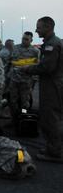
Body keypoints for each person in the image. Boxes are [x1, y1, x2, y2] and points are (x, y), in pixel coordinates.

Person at [20, 17, 63, 163]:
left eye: (39, 27)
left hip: (53, 86)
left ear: (48, 27)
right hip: (51, 84)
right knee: (49, 117)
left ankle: (56, 152)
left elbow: (47, 67)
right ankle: (53, 147)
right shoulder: (51, 43)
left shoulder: (52, 44)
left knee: (52, 118)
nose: (36, 30)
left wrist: (28, 69)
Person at [9, 32, 40, 131]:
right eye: (23, 38)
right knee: (13, 101)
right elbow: (10, 62)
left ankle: (23, 118)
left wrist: (33, 82)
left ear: (31, 40)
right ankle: (14, 120)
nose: (24, 41)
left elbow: (36, 67)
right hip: (14, 79)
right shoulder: (15, 48)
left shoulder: (35, 51)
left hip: (26, 81)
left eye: (26, 39)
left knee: (24, 103)